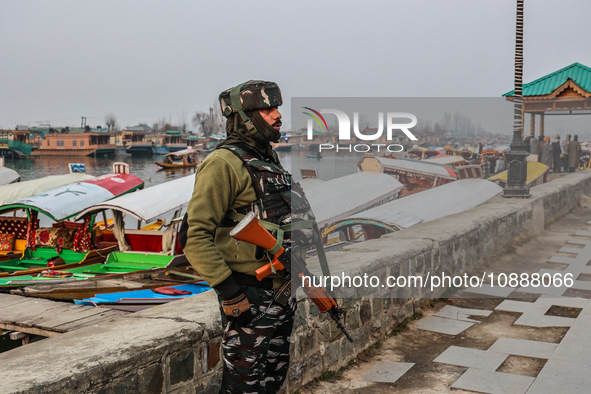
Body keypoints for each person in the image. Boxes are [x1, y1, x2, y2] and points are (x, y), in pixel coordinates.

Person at [183, 80, 316, 393]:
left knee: (273, 381)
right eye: (267, 108)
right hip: (248, 298)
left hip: (281, 292)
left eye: (277, 107)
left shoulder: (267, 159)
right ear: (243, 116)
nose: (276, 114)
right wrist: (230, 293)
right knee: (242, 387)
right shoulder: (222, 164)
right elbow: (194, 234)